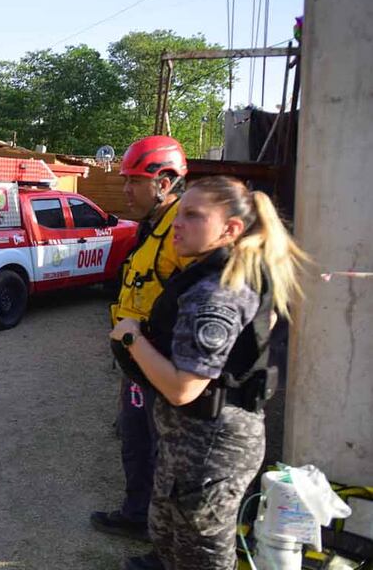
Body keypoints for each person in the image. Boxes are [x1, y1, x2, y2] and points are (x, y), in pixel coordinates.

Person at [110, 176, 306, 570]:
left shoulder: (217, 291)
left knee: (202, 551)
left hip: (212, 444)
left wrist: (132, 338)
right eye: (179, 213)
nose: (177, 225)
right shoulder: (208, 274)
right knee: (167, 530)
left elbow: (184, 387)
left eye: (194, 216)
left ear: (230, 229)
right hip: (188, 438)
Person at [91, 136, 190, 570]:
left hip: (160, 367)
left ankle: (167, 547)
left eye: (135, 180)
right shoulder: (153, 225)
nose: (126, 189)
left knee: (165, 456)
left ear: (165, 181)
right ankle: (137, 516)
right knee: (135, 442)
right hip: (138, 364)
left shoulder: (181, 233)